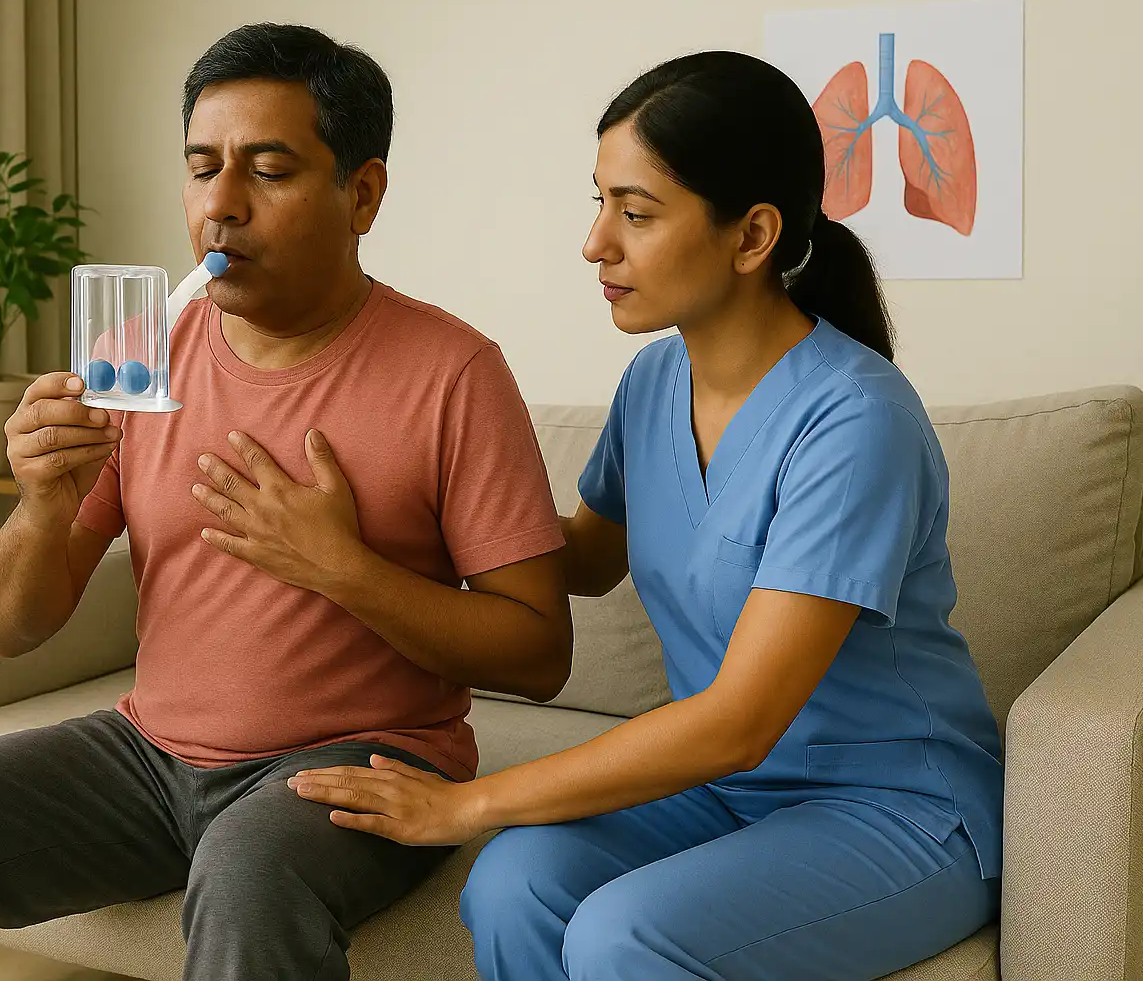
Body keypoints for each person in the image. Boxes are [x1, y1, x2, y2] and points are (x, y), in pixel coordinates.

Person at [0, 23, 572, 981]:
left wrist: (343, 570)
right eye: (201, 167)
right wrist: (43, 505)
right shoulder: (141, 355)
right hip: (149, 756)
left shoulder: (453, 374)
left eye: (269, 170)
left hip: (361, 760)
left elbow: (540, 653)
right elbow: (12, 627)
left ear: (362, 194)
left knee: (251, 871)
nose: (221, 204)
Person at [289, 51, 1004, 981]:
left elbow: (739, 722)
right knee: (512, 885)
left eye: (635, 213)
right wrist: (374, 533)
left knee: (623, 934)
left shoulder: (856, 423)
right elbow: (582, 560)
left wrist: (468, 804)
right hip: (726, 791)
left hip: (896, 810)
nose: (596, 243)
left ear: (752, 237)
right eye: (599, 203)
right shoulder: (655, 380)